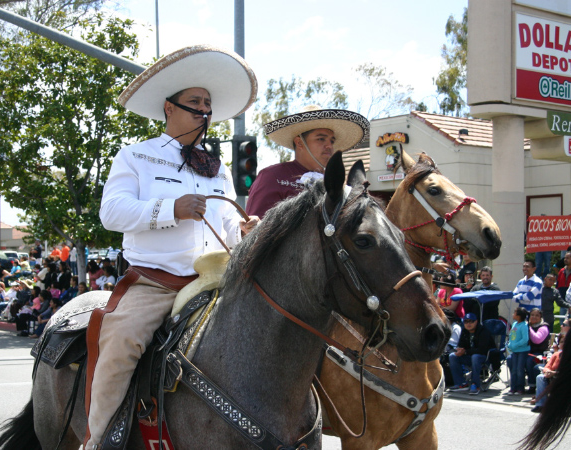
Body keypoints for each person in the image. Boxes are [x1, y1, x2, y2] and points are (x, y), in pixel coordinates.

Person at [82, 45, 259, 449]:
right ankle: (100, 441)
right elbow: (111, 213)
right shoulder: (136, 156)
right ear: (168, 108)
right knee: (120, 340)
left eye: (208, 105)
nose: (204, 112)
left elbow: (227, 226)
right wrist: (170, 209)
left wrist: (245, 232)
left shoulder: (219, 169)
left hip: (216, 282)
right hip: (155, 284)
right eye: (195, 103)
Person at [245, 105, 368, 218]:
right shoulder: (273, 176)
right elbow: (253, 231)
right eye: (321, 139)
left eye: (332, 141)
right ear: (300, 142)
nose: (329, 146)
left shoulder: (337, 183)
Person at [448, 312, 495, 395]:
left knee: (475, 357)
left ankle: (475, 385)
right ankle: (461, 383)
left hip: (485, 357)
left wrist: (465, 351)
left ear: (476, 322)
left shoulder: (483, 331)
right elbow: (461, 345)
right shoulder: (464, 331)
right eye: (466, 322)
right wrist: (460, 350)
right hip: (469, 356)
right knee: (452, 356)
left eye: (471, 321)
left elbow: (482, 350)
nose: (468, 324)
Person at [531, 336, 564, 413]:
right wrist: (548, 371)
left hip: (563, 376)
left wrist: (555, 373)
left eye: (566, 342)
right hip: (551, 375)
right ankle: (540, 405)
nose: (564, 344)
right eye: (562, 342)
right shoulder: (556, 354)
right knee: (540, 377)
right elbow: (547, 367)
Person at [506, 307, 531, 395]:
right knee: (514, 369)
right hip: (515, 351)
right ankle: (513, 387)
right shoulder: (515, 324)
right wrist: (509, 344)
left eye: (515, 313)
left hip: (522, 351)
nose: (513, 315)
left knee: (520, 369)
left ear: (519, 316)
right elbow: (512, 336)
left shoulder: (524, 325)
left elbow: (525, 339)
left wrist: (515, 345)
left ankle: (520, 388)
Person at [525, 308, 550, 393]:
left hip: (540, 353)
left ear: (540, 317)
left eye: (537, 315)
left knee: (529, 360)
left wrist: (529, 328)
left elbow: (537, 340)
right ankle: (517, 386)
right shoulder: (525, 325)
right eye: (532, 315)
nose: (534, 317)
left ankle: (532, 385)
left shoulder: (543, 327)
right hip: (526, 351)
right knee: (511, 359)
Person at [556, 251, 571, 319]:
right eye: (565, 258)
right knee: (562, 320)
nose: (565, 259)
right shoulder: (562, 270)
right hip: (562, 300)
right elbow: (558, 284)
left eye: (567, 258)